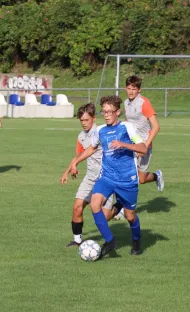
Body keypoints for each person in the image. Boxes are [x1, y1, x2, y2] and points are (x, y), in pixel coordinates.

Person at [67, 96, 148, 258]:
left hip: (127, 179)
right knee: (94, 204)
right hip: (107, 177)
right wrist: (75, 162)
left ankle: (137, 241)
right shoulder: (100, 130)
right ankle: (110, 241)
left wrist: (123, 144)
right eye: (104, 111)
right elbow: (90, 149)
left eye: (110, 111)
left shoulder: (127, 127)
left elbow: (143, 147)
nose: (106, 114)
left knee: (131, 216)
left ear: (118, 112)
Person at [60, 103, 121, 247]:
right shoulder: (81, 137)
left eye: (86, 120)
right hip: (90, 177)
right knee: (77, 207)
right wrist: (68, 171)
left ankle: (120, 205)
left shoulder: (102, 132)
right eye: (81, 121)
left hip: (106, 178)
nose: (83, 123)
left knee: (104, 217)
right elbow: (78, 156)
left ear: (94, 118)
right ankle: (77, 240)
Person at [124, 75, 164, 191]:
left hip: (144, 144)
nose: (131, 92)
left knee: (141, 179)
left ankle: (157, 176)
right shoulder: (126, 102)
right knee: (126, 175)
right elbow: (128, 121)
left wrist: (145, 146)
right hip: (131, 144)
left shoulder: (144, 103)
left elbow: (156, 127)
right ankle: (122, 207)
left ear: (139, 90)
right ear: (125, 88)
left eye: (134, 89)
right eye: (129, 88)